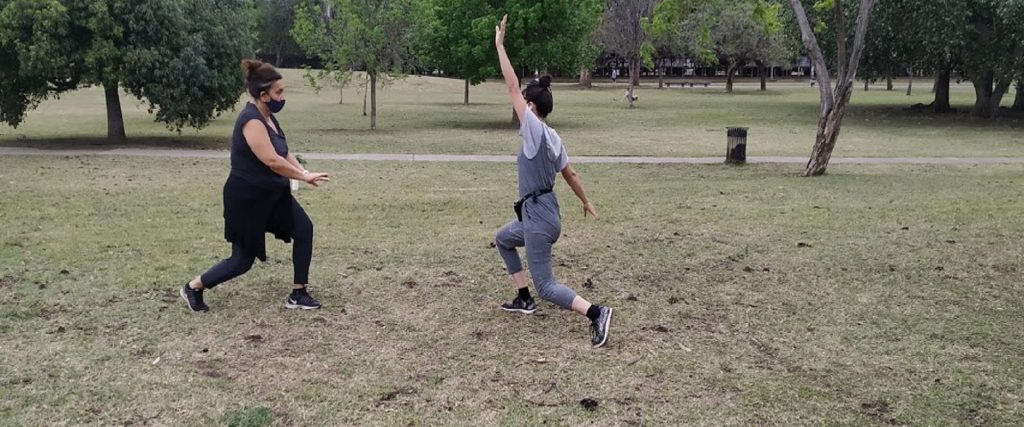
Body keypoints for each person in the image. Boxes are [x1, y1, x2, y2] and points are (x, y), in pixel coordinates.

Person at [493, 15, 613, 348]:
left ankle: (597, 313)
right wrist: (585, 201)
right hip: (543, 215)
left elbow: (512, 85)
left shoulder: (532, 128)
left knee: (547, 286)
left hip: (539, 219)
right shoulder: (553, 136)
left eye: (524, 105)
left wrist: (500, 46)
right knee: (503, 238)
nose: (520, 108)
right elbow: (570, 174)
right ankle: (522, 298)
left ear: (532, 107)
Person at [180, 59, 330, 312]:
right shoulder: (251, 121)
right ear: (263, 95)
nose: (282, 97)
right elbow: (271, 160)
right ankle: (194, 287)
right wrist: (301, 177)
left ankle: (298, 292)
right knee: (242, 261)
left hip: (273, 195)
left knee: (304, 229)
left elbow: (282, 152)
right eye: (278, 92)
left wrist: (303, 171)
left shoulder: (268, 117)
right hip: (247, 198)